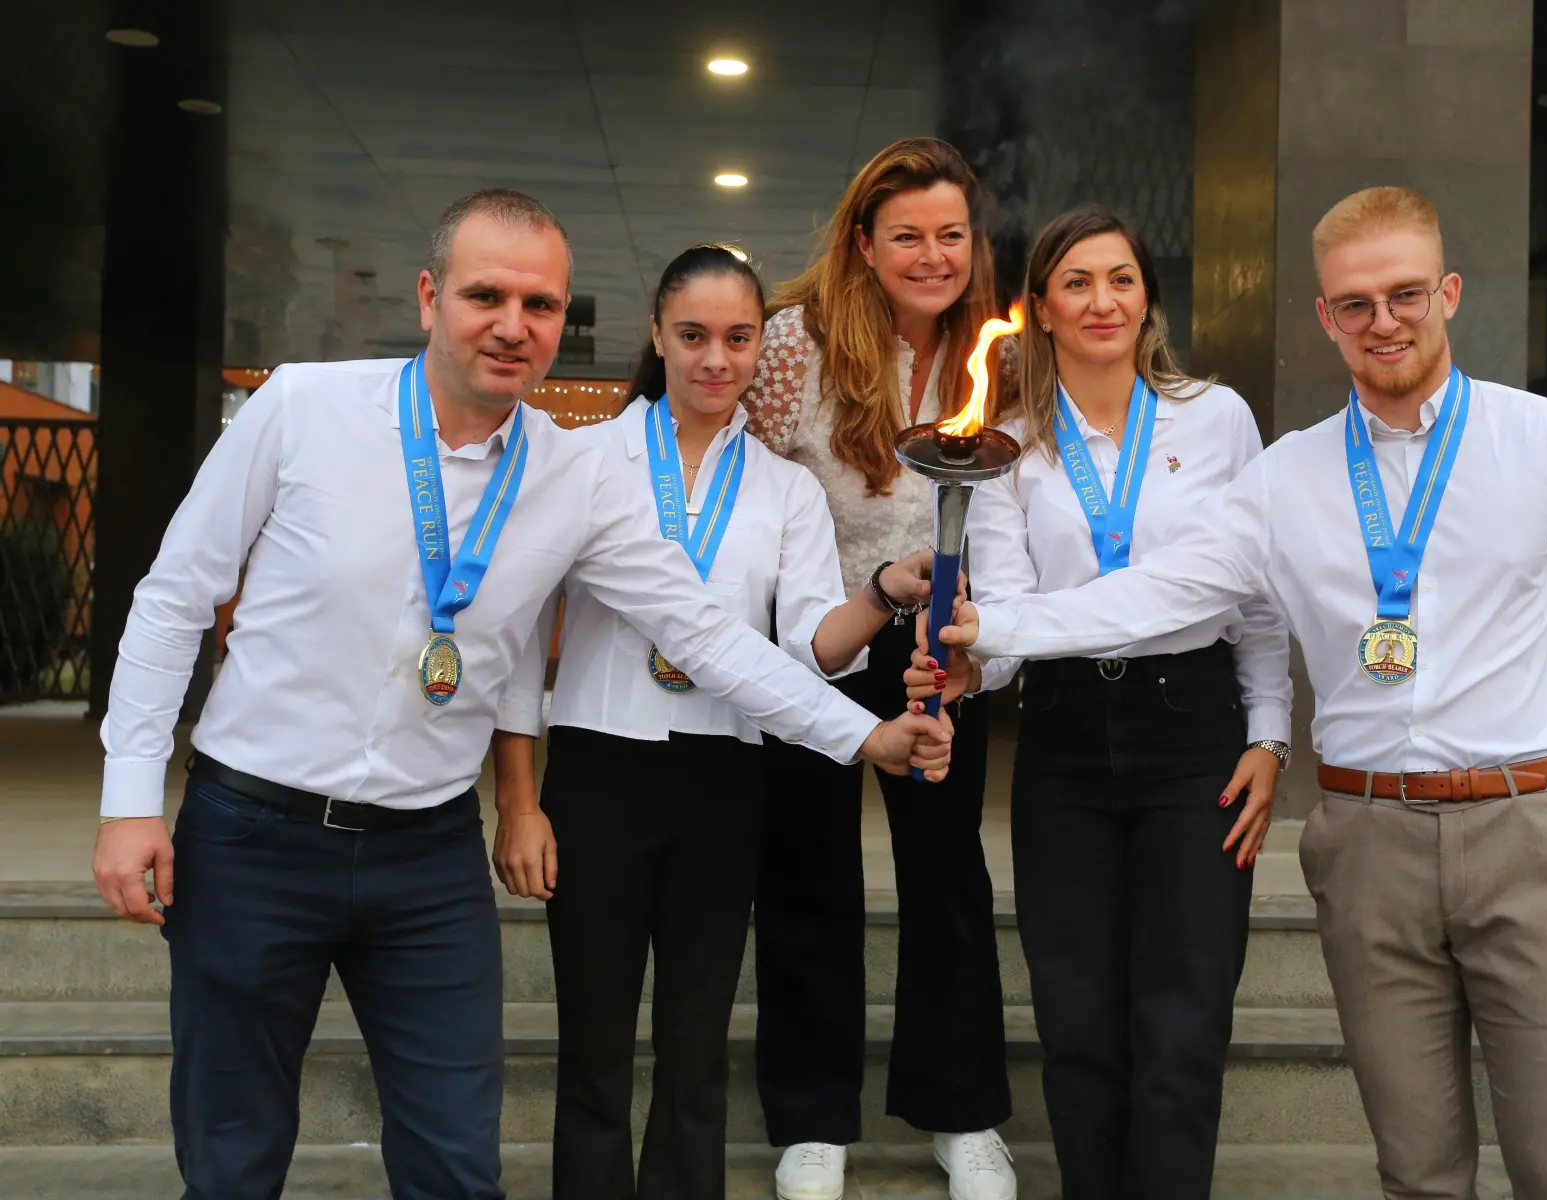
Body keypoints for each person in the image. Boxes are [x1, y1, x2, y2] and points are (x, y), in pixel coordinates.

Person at [87, 189, 950, 1200]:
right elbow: (174, 597)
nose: (513, 325)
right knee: (232, 1159)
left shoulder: (572, 476)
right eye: (485, 296)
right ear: (429, 296)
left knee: (458, 1163)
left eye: (540, 305)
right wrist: (130, 797)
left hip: (425, 855)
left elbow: (707, 635)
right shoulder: (303, 407)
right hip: (254, 836)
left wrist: (865, 738)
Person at [931, 187, 1547, 1200]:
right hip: (1366, 838)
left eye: (1406, 294)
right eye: (1355, 303)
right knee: (1417, 1172)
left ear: (1450, 292)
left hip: (1522, 828)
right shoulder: (1289, 475)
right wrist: (994, 632)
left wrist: (1518, 719)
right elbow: (1170, 589)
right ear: (1325, 316)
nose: (1383, 321)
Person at [488, 245, 953, 1200]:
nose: (716, 359)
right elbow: (519, 643)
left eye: (739, 338)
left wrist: (880, 591)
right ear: (657, 336)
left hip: (727, 780)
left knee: (696, 1047)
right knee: (594, 1046)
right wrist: (520, 803)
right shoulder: (581, 462)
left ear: (759, 349)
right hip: (599, 770)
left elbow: (811, 649)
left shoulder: (786, 488)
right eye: (693, 335)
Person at [904, 205, 1291, 1198]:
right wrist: (967, 664)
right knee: (1076, 1022)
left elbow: (1256, 594)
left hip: (1193, 731)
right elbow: (1009, 617)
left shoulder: (1217, 418)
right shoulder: (1007, 445)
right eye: (1076, 282)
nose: (1102, 301)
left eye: (1121, 278)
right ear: (1040, 307)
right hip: (1066, 739)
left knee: (1184, 1019)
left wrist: (1270, 733)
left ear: (1148, 296)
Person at [740, 136, 1016, 1200]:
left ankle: (961, 1112)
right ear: (863, 242)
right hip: (820, 630)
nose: (932, 255)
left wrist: (971, 641)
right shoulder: (792, 343)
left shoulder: (999, 350)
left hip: (939, 641)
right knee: (808, 869)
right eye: (907, 235)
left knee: (946, 871)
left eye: (951, 234)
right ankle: (813, 1119)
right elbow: (747, 487)